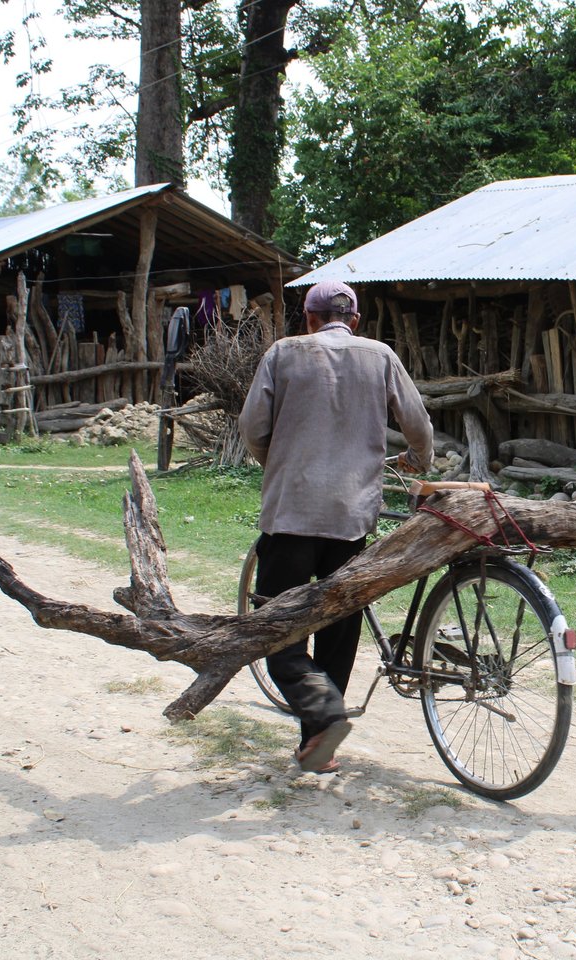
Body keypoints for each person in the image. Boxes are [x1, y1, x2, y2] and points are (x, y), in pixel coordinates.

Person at [238, 280, 434, 773]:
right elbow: (419, 425)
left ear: (307, 319)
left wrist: (275, 461)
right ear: (356, 321)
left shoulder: (284, 354)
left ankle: (324, 715)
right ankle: (319, 743)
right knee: (337, 630)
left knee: (274, 631)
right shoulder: (380, 355)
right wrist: (418, 459)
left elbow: (252, 428)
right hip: (351, 520)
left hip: (291, 515)